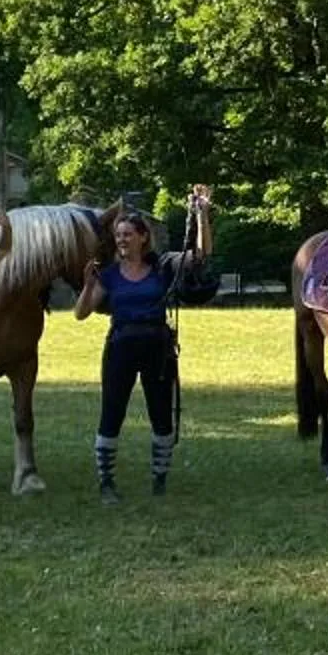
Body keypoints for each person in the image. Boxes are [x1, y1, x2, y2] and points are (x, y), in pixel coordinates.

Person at [74, 186, 215, 501]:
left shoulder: (162, 268)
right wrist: (87, 285)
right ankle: (106, 483)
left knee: (161, 414)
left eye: (127, 234)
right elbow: (80, 314)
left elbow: (201, 255)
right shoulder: (109, 275)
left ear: (142, 237)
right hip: (120, 347)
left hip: (157, 348)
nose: (121, 240)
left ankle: (159, 480)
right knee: (112, 412)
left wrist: (202, 214)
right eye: (118, 235)